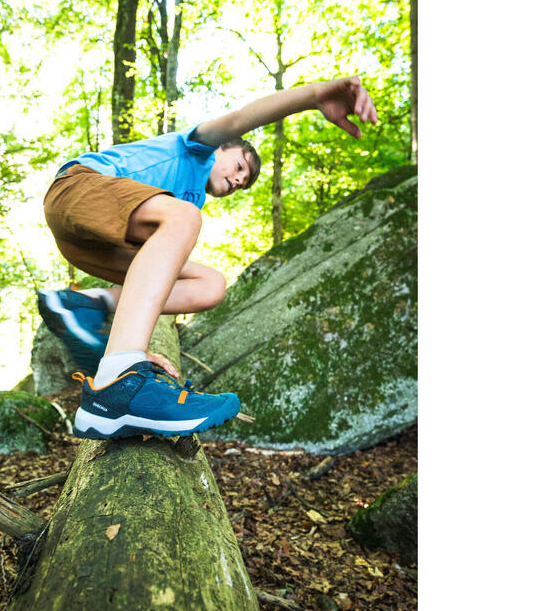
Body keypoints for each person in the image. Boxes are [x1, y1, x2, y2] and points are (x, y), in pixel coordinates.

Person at [38, 76, 378, 440]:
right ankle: (118, 384)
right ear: (221, 150)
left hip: (96, 242)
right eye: (239, 167)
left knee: (210, 285)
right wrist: (312, 96)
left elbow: (147, 278)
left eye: (244, 184)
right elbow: (238, 120)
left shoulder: (183, 205)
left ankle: (84, 307)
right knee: (184, 217)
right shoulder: (196, 150)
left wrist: (142, 349)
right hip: (78, 189)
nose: (238, 181)